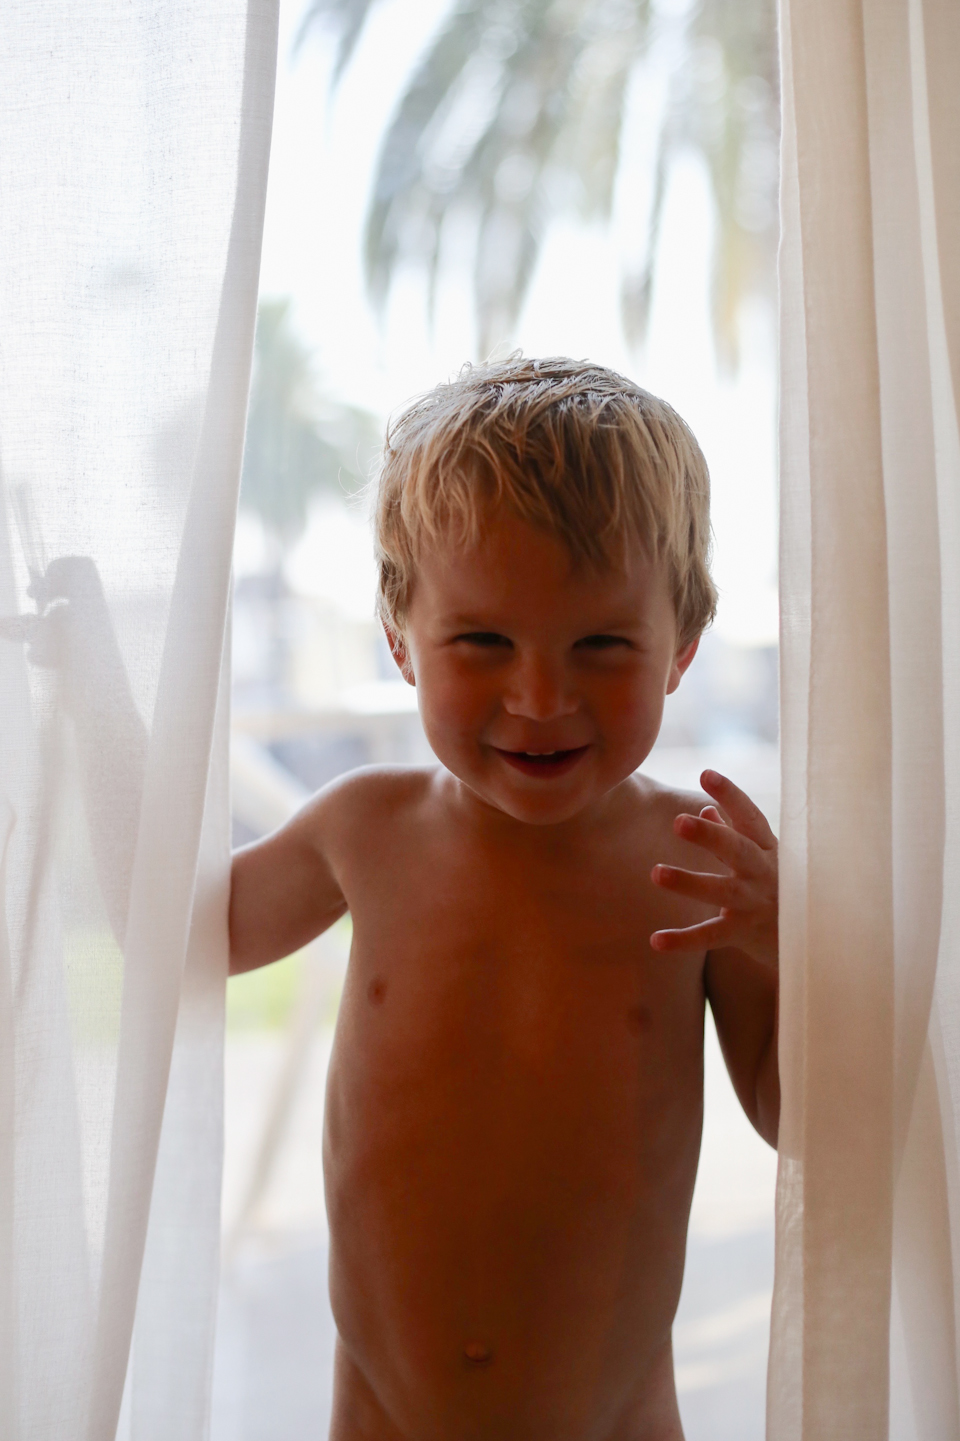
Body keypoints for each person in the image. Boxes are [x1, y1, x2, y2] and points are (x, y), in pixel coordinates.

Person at [228, 355, 779, 1441]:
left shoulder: (699, 862)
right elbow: (185, 937)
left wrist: (786, 938)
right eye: (483, 640)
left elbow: (795, 1114)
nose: (539, 696)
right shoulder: (364, 831)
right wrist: (90, 702)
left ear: (681, 649)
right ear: (401, 640)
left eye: (602, 643)